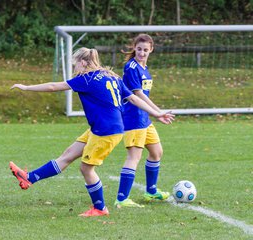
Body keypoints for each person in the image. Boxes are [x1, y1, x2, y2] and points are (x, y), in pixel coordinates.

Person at [9, 47, 174, 217]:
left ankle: (100, 208)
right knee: (67, 155)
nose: (75, 69)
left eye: (75, 65)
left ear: (83, 62)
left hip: (106, 131)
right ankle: (29, 178)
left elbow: (52, 86)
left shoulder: (85, 79)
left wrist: (27, 87)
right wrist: (157, 113)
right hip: (103, 127)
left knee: (86, 169)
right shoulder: (112, 76)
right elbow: (132, 98)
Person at [114, 34, 172, 208]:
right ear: (134, 48)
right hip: (133, 118)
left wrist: (154, 113)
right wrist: (157, 112)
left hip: (144, 118)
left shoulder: (144, 68)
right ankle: (122, 199)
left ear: (151, 50)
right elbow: (137, 94)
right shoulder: (131, 67)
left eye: (145, 50)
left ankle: (151, 191)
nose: (142, 53)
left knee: (156, 152)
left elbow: (144, 94)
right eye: (139, 49)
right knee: (134, 156)